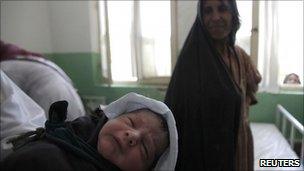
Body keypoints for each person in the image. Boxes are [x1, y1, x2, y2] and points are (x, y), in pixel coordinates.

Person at [165, 0, 261, 171]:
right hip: (207, 154)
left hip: (240, 145)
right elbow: (180, 114)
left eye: (223, 9)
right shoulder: (191, 60)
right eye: (208, 11)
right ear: (201, 18)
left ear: (233, 14)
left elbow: (253, 87)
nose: (215, 17)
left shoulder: (240, 57)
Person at [1, 93, 178, 171]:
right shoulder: (50, 148)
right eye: (130, 122)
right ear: (111, 118)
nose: (132, 136)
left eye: (145, 149)